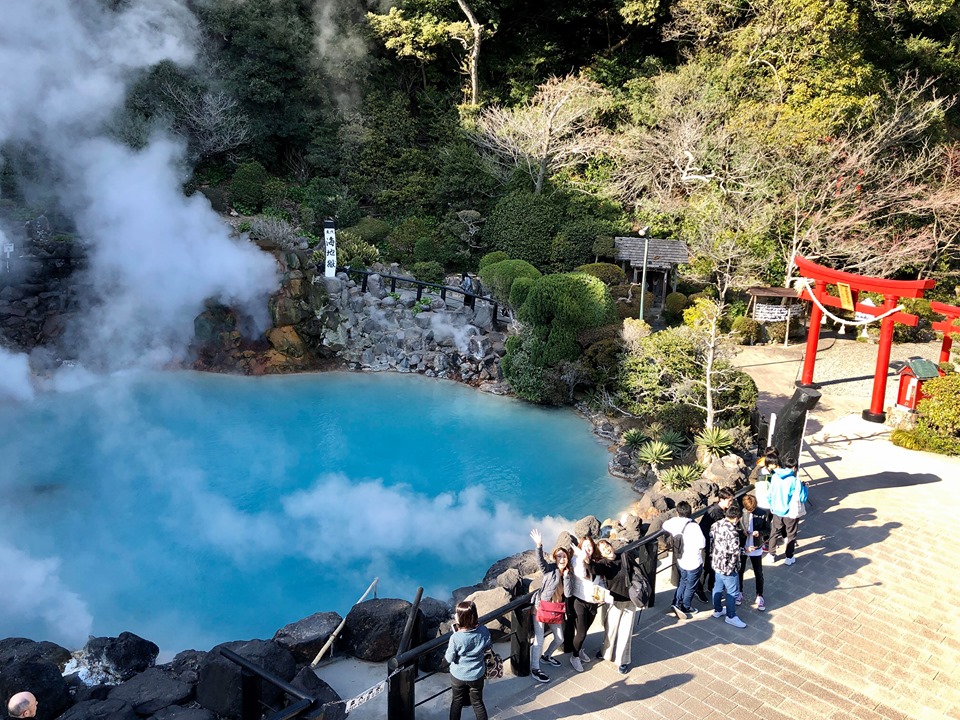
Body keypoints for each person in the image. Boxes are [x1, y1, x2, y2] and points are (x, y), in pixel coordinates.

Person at [528, 529, 572, 683]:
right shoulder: (550, 570)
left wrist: (566, 578)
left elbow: (568, 593)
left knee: (559, 638)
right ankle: (535, 668)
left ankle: (546, 656)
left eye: (564, 556)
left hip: (555, 610)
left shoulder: (567, 573)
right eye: (559, 556)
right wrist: (539, 545)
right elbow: (540, 562)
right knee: (538, 640)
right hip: (541, 608)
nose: (562, 559)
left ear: (568, 558)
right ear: (555, 558)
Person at [593, 540, 635, 675]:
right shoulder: (604, 564)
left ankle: (622, 661)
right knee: (610, 630)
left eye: (607, 546)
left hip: (630, 601)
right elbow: (593, 569)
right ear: (601, 554)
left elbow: (636, 571)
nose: (607, 549)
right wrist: (584, 557)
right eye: (603, 549)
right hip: (614, 603)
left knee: (625, 632)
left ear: (611, 546)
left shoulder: (624, 556)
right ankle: (606, 652)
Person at [445, 600, 492, 720]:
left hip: (458, 675)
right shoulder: (484, 631)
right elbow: (488, 647)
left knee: (457, 702)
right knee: (478, 703)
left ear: (460, 618)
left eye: (457, 613)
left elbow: (449, 658)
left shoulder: (455, 637)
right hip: (477, 674)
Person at [662, 500, 706, 619]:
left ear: (677, 512)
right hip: (694, 562)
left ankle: (676, 602)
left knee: (683, 581)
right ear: (690, 512)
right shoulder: (694, 526)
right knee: (691, 586)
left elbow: (664, 525)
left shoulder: (673, 522)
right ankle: (686, 607)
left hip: (681, 559)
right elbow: (702, 544)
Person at [695, 487, 735, 602]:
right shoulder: (714, 511)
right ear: (721, 499)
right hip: (710, 543)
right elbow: (703, 528)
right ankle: (700, 588)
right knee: (707, 566)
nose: (731, 503)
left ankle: (711, 587)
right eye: (729, 500)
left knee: (713, 567)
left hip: (716, 543)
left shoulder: (722, 510)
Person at [710, 505, 747, 628]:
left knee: (718, 587)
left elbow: (711, 541)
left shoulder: (716, 524)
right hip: (728, 567)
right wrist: (746, 550)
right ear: (736, 518)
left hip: (716, 562)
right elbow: (734, 551)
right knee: (732, 592)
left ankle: (717, 609)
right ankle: (731, 616)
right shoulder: (733, 532)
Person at [569, 536, 601, 672]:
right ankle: (574, 657)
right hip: (579, 601)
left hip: (593, 601)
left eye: (590, 546)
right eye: (585, 546)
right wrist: (582, 557)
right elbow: (581, 574)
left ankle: (580, 649)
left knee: (585, 630)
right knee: (581, 633)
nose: (588, 549)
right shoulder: (576, 560)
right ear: (580, 548)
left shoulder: (596, 561)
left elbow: (600, 579)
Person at [767, 456, 804, 566]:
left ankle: (771, 555)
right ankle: (789, 557)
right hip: (790, 513)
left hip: (776, 511)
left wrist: (772, 506)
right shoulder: (795, 481)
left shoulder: (775, 477)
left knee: (774, 533)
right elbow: (801, 498)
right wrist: (805, 488)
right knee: (791, 535)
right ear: (794, 468)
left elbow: (769, 494)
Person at [738, 494, 768, 611]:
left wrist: (759, 533)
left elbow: (767, 530)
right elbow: (735, 528)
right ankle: (739, 592)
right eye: (750, 509)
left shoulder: (762, 513)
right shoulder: (740, 513)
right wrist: (742, 533)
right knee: (740, 571)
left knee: (758, 573)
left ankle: (759, 595)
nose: (752, 511)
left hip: (756, 546)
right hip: (743, 547)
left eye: (753, 509)